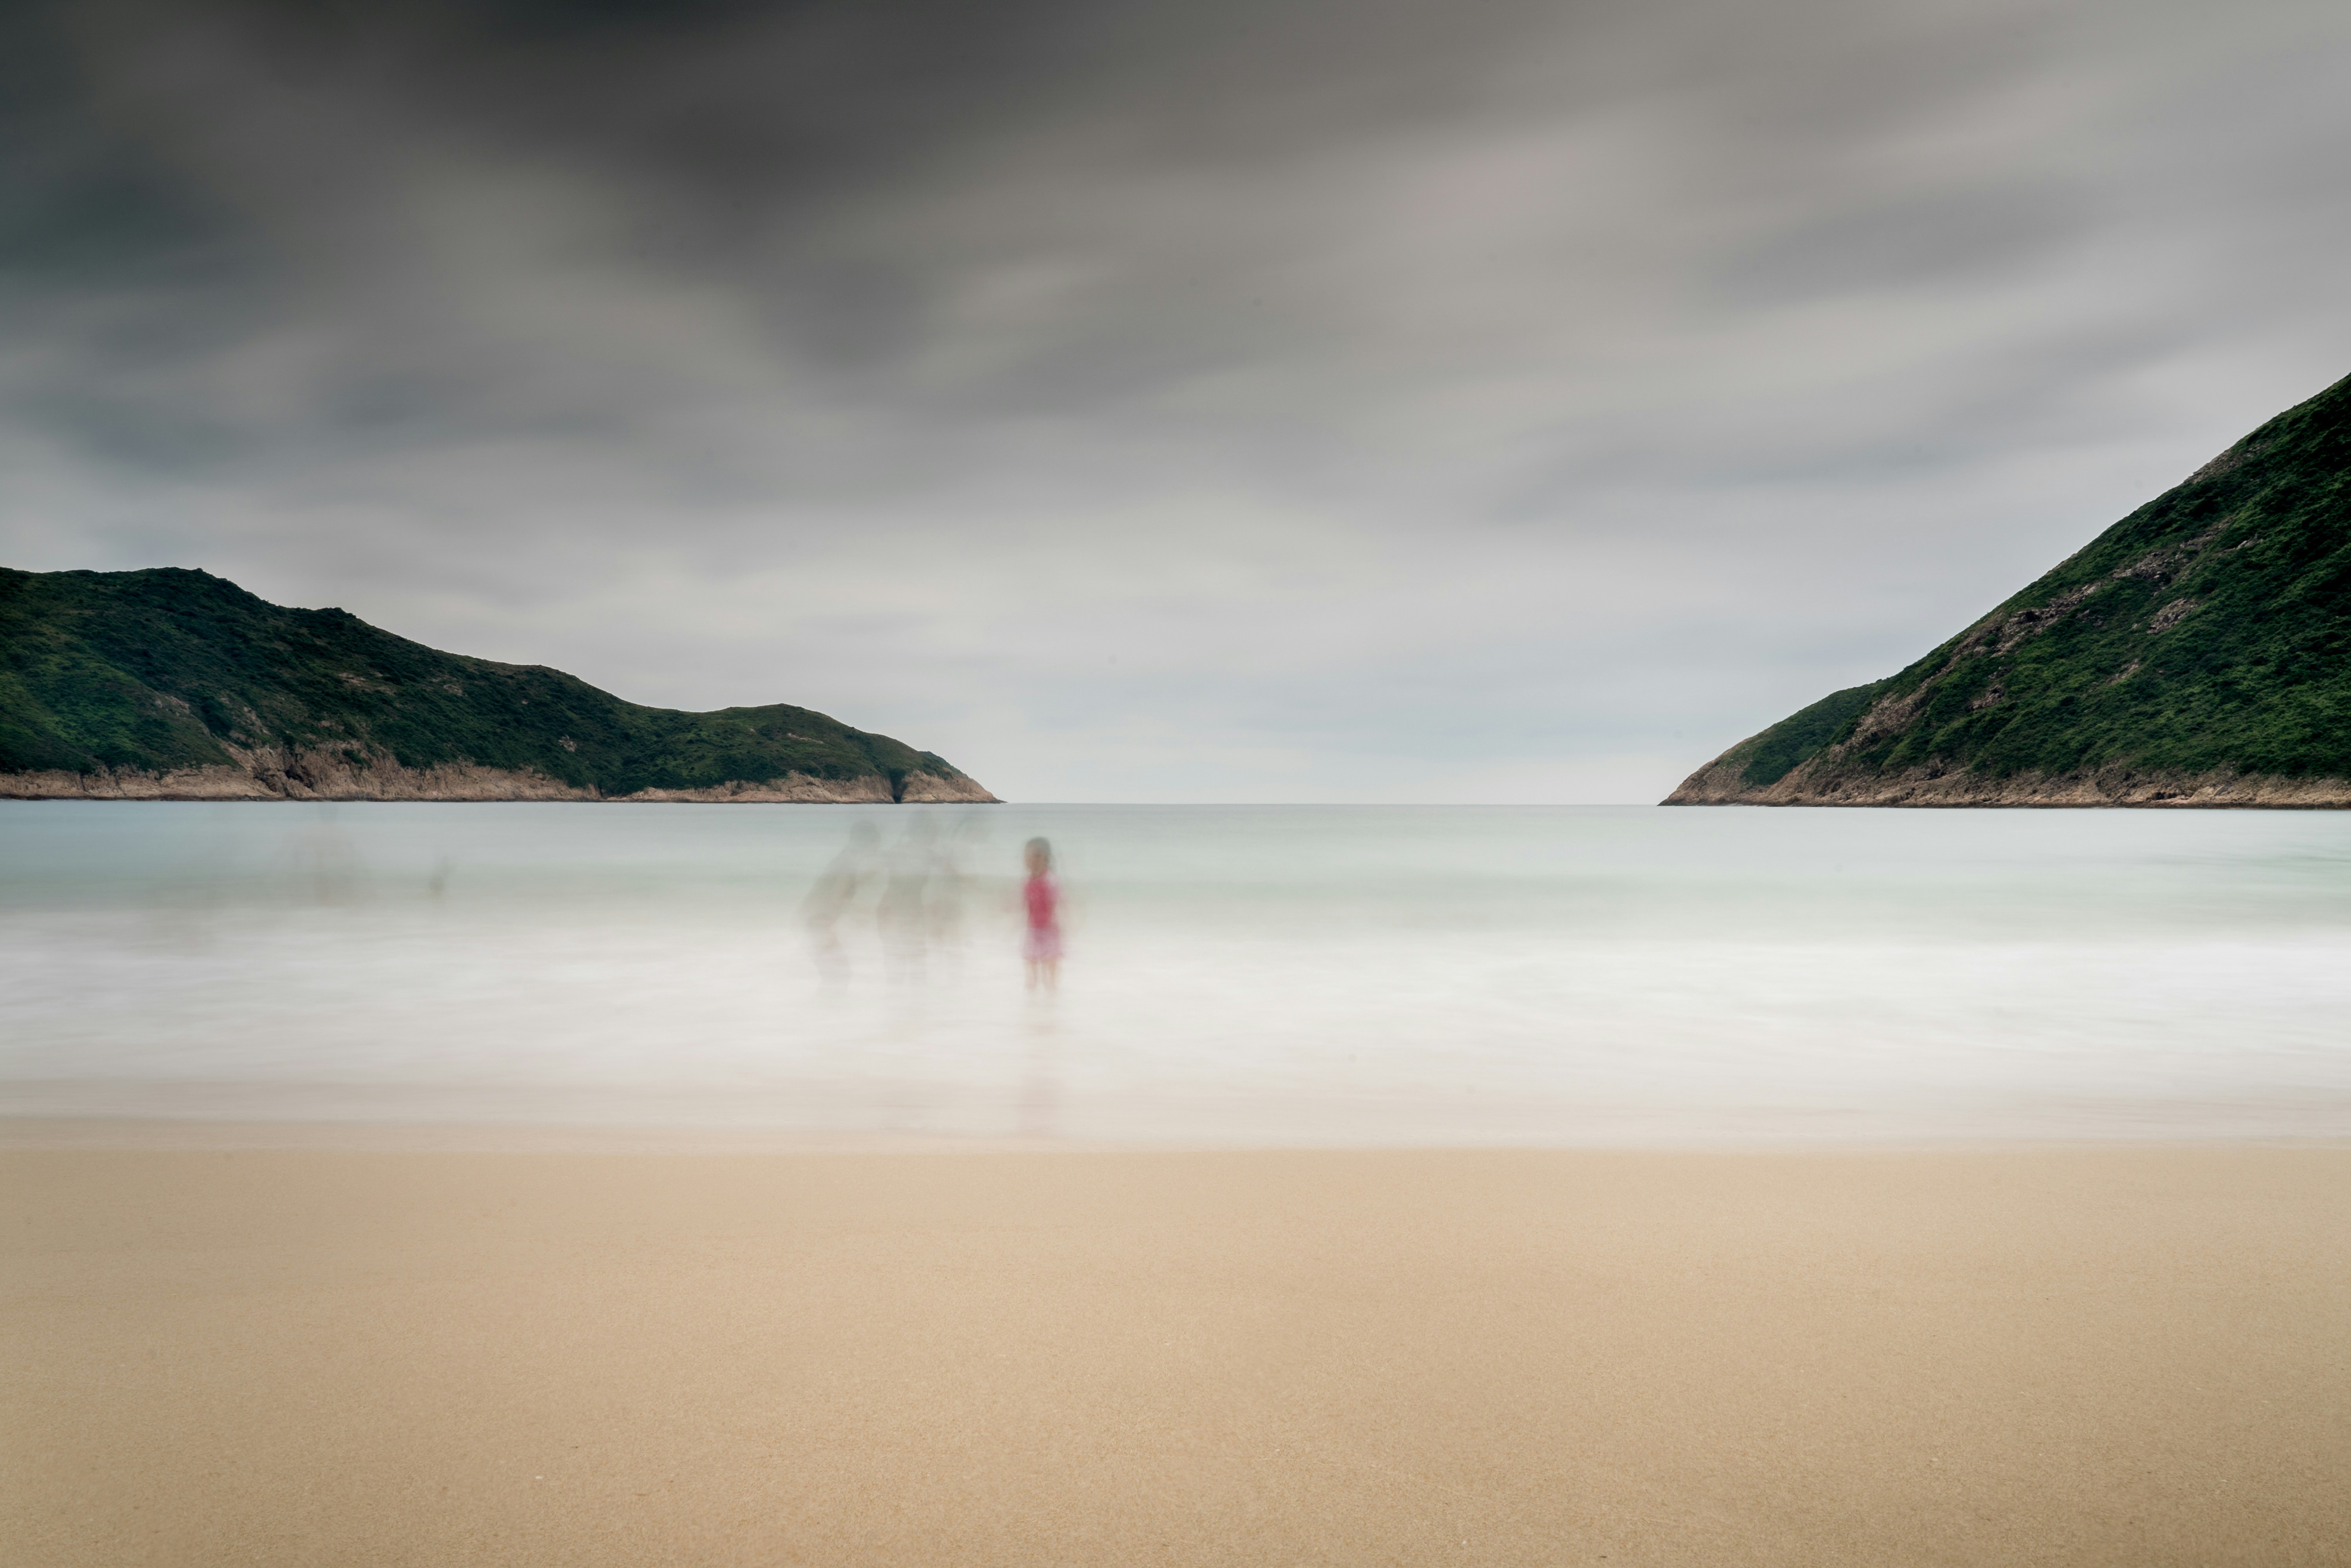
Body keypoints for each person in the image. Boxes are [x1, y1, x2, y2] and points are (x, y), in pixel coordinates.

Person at [1020, 836, 1062, 992]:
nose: (1028, 860)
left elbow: (1059, 904)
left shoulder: (1051, 881)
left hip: (1049, 930)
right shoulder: (1027, 882)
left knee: (1051, 973)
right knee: (1031, 971)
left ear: (1044, 858)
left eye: (1034, 856)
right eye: (1027, 856)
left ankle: (1052, 1000)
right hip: (1033, 930)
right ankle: (1033, 1006)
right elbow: (1023, 905)